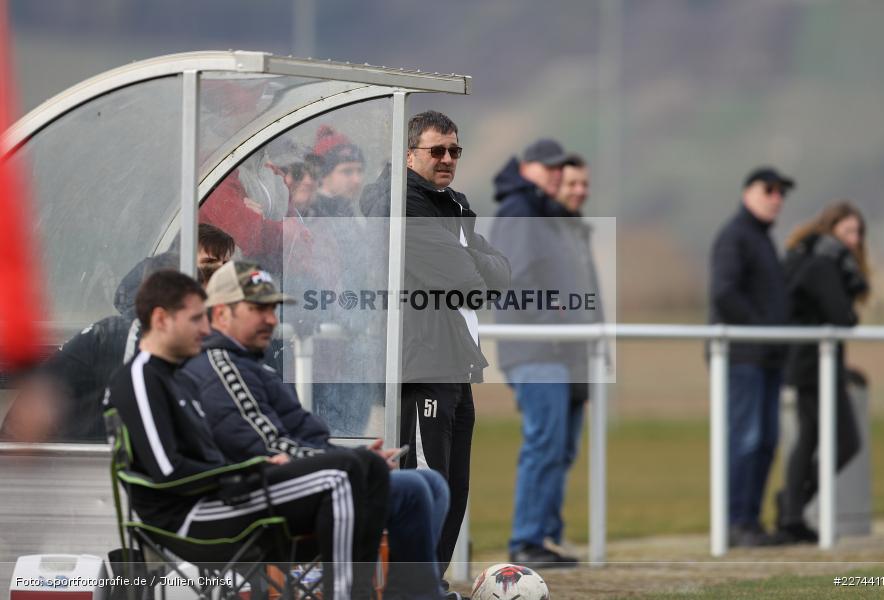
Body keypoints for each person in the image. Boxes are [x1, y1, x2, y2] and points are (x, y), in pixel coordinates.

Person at [104, 269, 387, 600]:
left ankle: (365, 591)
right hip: (190, 518)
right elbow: (169, 472)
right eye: (196, 319)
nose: (206, 328)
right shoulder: (139, 377)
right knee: (342, 474)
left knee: (372, 467)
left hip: (224, 498)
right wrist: (250, 470)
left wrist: (254, 468)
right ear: (162, 319)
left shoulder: (176, 377)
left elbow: (204, 458)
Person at [180, 260, 450, 600]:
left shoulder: (251, 367)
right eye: (257, 308)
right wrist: (353, 463)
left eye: (273, 309)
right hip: (258, 500)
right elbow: (266, 445)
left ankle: (416, 593)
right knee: (413, 488)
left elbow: (309, 433)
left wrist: (356, 458)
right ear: (220, 313)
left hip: (297, 486)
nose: (272, 319)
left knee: (432, 484)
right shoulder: (220, 367)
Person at [400, 110, 510, 588]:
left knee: (455, 490)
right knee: (429, 486)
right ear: (410, 154)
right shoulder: (404, 201)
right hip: (423, 364)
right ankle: (415, 587)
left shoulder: (455, 203)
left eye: (454, 151)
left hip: (459, 364)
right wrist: (472, 260)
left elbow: (500, 275)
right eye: (436, 151)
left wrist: (470, 258)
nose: (447, 159)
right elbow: (467, 280)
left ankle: (431, 583)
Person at [0, 224, 235, 441]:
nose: (222, 278)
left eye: (227, 267)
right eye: (210, 265)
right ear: (175, 270)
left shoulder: (205, 337)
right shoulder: (124, 337)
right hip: (76, 465)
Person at [491, 144, 601, 566]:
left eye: (561, 168)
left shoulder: (549, 214)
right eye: (549, 168)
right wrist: (554, 317)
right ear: (526, 168)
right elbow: (512, 279)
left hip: (563, 352)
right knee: (544, 444)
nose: (557, 175)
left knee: (559, 448)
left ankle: (546, 537)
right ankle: (527, 540)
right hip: (537, 349)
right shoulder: (521, 211)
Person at [709, 166, 793, 547]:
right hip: (742, 357)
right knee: (745, 438)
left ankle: (751, 521)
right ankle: (734, 522)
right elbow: (724, 293)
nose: (776, 198)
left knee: (766, 440)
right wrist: (761, 329)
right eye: (769, 190)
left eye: (781, 193)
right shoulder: (735, 236)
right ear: (747, 192)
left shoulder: (761, 239)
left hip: (768, 357)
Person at [774, 202, 867, 544]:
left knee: (811, 438)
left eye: (858, 233)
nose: (854, 241)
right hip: (813, 366)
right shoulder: (823, 264)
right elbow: (841, 318)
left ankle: (792, 511)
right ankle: (792, 505)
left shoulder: (816, 259)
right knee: (845, 442)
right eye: (847, 232)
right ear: (830, 230)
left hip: (813, 363)